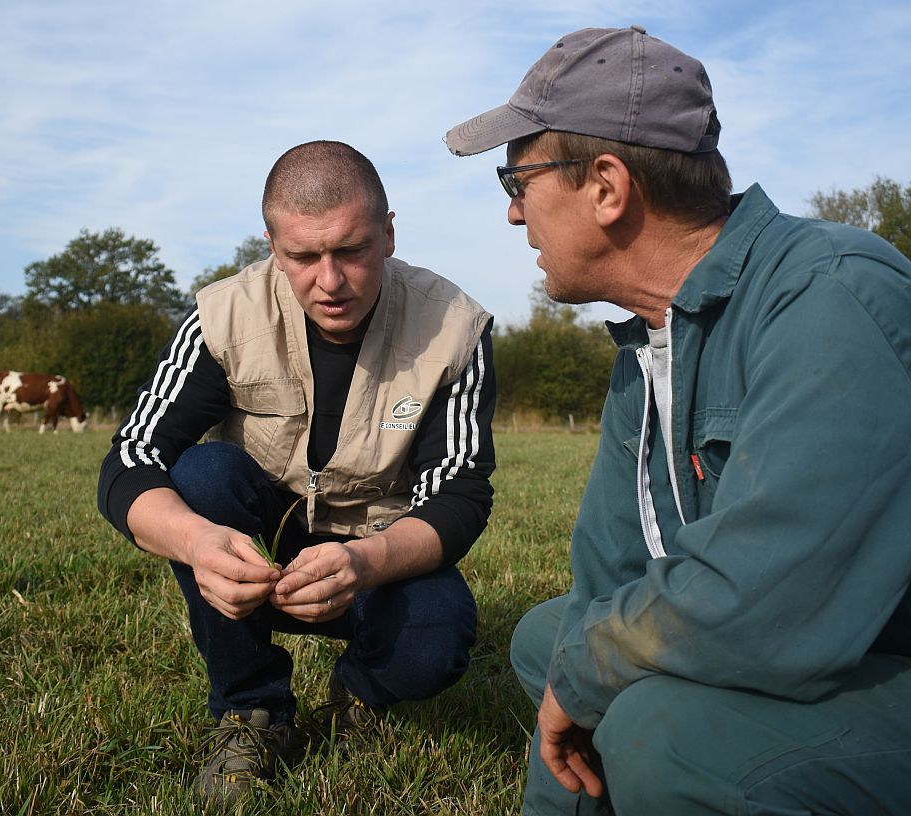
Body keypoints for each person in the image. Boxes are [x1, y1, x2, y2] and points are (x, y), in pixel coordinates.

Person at [445, 25, 911, 816]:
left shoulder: (834, 295)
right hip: (813, 654)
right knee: (551, 637)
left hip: (875, 656)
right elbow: (609, 582)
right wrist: (583, 671)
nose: (515, 216)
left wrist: (592, 677)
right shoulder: (653, 340)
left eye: (517, 181)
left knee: (660, 732)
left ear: (606, 185)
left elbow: (773, 598)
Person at [97, 140, 496, 806]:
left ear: (389, 233)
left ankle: (361, 694)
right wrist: (197, 544)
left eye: (352, 250)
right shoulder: (221, 315)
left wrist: (363, 564)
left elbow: (458, 495)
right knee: (202, 474)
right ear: (272, 246)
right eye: (303, 257)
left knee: (439, 634)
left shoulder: (455, 328)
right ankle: (250, 709)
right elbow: (131, 458)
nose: (330, 281)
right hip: (257, 553)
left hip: (374, 558)